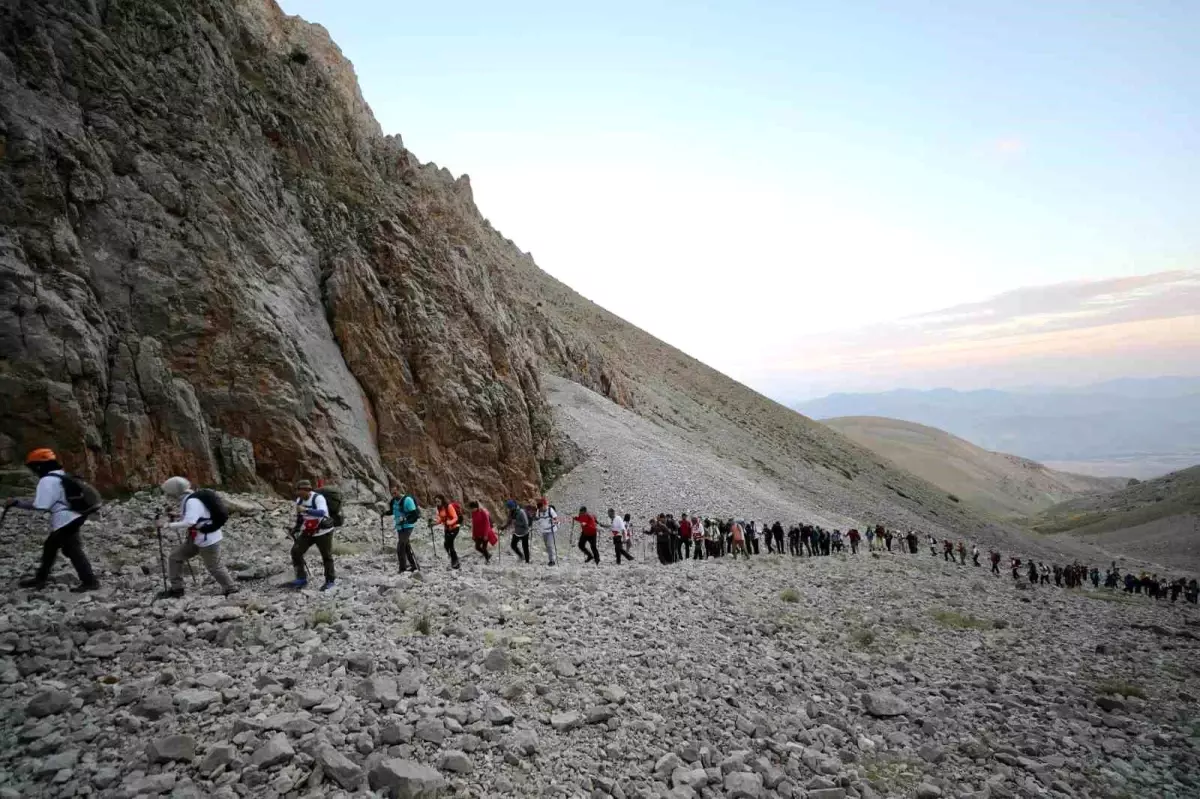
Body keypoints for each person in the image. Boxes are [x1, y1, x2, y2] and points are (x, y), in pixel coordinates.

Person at [6, 448, 99, 592]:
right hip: (76, 515)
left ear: (39, 466)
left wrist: (17, 503)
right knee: (51, 545)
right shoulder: (61, 475)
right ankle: (41, 578)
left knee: (72, 550)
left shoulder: (47, 481)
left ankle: (90, 581)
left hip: (65, 520)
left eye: (33, 467)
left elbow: (41, 506)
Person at [156, 476, 238, 598]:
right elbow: (197, 516)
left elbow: (190, 522)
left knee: (214, 566)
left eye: (170, 493)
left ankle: (231, 588)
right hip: (197, 537)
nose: (169, 496)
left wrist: (167, 525)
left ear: (175, 492)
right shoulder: (191, 498)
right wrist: (178, 515)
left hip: (206, 539)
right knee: (175, 557)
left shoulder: (191, 501)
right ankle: (177, 589)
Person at [290, 480, 336, 590]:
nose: (298, 493)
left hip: (323, 532)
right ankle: (301, 578)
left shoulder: (318, 498)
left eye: (300, 490)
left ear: (307, 490)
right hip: (309, 531)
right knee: (296, 552)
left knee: (326, 556)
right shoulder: (299, 500)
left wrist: (306, 509)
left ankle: (330, 580)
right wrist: (296, 528)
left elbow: (322, 512)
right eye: (298, 490)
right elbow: (300, 516)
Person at [389, 486, 420, 573]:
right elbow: (393, 511)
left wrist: (405, 519)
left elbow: (414, 515)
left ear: (399, 491)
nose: (394, 495)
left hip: (408, 526)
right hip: (399, 527)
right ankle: (414, 566)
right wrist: (384, 513)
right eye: (392, 494)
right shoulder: (394, 501)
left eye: (395, 493)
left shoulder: (407, 500)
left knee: (400, 546)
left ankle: (402, 569)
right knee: (406, 546)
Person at [434, 495, 462, 570]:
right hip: (447, 528)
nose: (437, 503)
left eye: (438, 501)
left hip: (455, 527)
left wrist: (449, 522)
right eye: (436, 501)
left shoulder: (449, 507)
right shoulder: (439, 508)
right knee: (446, 544)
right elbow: (440, 519)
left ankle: (456, 562)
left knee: (450, 544)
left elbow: (455, 517)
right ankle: (453, 558)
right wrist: (434, 523)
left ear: (442, 500)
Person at [532, 498, 559, 566]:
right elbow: (537, 518)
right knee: (547, 545)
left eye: (541, 508)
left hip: (551, 530)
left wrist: (554, 521)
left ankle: (552, 561)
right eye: (539, 509)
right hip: (544, 530)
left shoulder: (550, 510)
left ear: (544, 505)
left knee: (549, 545)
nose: (540, 510)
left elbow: (557, 520)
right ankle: (551, 557)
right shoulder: (539, 511)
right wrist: (532, 518)